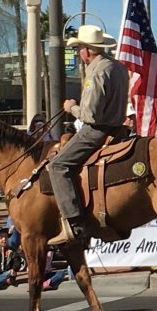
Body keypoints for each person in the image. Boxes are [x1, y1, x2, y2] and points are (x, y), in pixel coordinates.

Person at [48, 25, 130, 246]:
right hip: (118, 128)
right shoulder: (119, 68)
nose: (78, 53)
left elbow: (90, 115)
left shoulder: (96, 71)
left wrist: (72, 107)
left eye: (78, 49)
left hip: (96, 130)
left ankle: (74, 223)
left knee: (57, 165)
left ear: (86, 50)